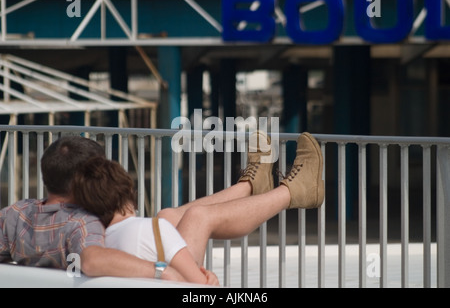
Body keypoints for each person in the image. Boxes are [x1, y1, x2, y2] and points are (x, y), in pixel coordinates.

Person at [71, 131, 324, 285]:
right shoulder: (149, 230)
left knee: (167, 215)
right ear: (128, 193)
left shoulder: (96, 236)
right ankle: (292, 191)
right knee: (198, 217)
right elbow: (202, 287)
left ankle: (249, 186)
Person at [0, 136, 186, 282]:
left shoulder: (17, 212)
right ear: (84, 180)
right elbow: (92, 260)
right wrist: (162, 271)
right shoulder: (82, 221)